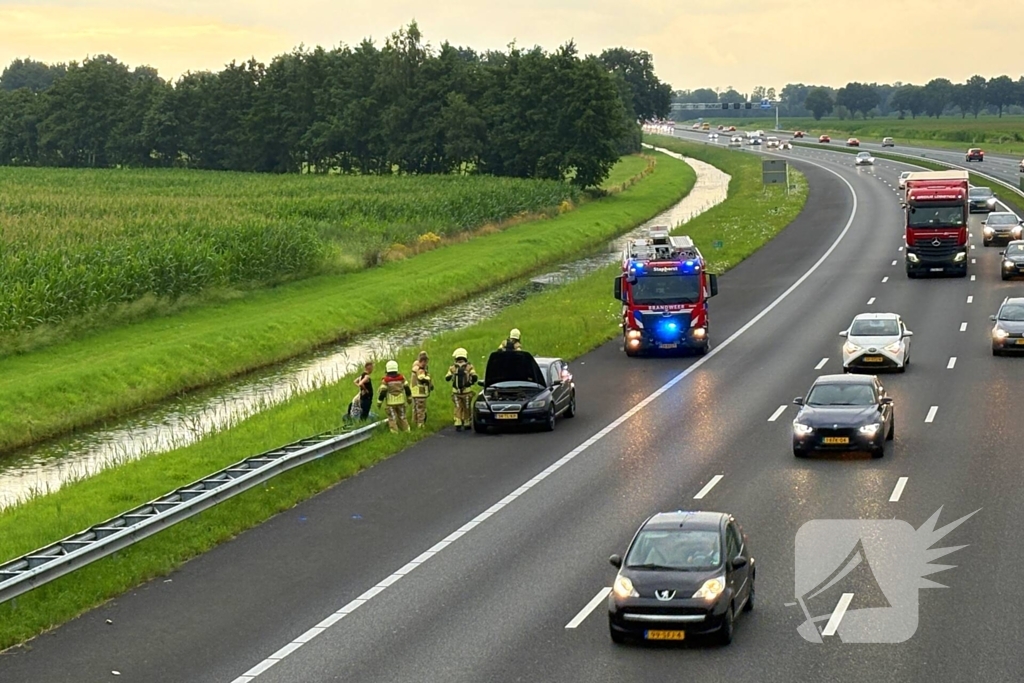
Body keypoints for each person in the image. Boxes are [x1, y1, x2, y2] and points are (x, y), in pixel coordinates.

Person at [445, 347, 478, 432]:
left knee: (457, 407)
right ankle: (467, 422)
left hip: (456, 392)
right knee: (467, 407)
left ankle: (458, 422)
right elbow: (474, 376)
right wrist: (470, 382)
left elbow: (447, 377)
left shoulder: (452, 367)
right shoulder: (469, 367)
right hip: (467, 391)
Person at [376, 360, 411, 432]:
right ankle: (407, 430)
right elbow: (407, 388)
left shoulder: (386, 380)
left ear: (387, 369)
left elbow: (383, 392)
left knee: (392, 418)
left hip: (390, 404)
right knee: (402, 417)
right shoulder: (402, 378)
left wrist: (379, 402)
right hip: (401, 402)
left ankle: (395, 432)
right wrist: (409, 398)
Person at [410, 351, 434, 429]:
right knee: (421, 409)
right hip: (420, 392)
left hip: (414, 392)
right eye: (426, 362)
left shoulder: (414, 368)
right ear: (423, 361)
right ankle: (420, 425)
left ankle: (414, 423)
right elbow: (421, 378)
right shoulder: (420, 369)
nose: (426, 364)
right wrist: (428, 379)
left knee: (415, 409)